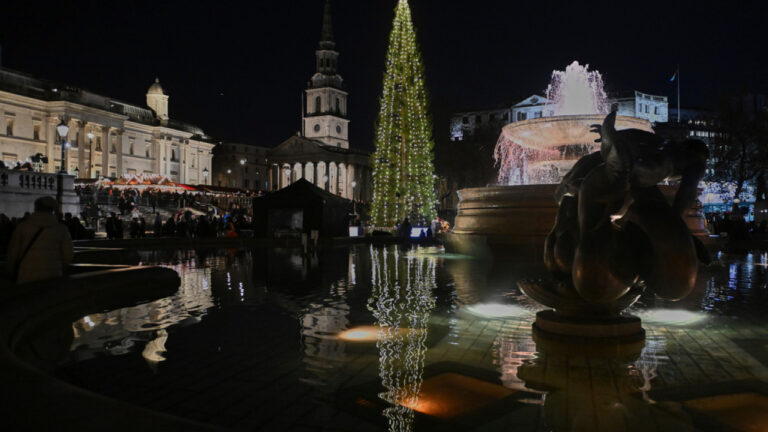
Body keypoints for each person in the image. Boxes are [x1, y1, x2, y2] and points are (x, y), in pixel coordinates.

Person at [6, 197, 74, 284]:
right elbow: (68, 255)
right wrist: (59, 267)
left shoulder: (22, 227)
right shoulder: (61, 229)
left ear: (36, 208)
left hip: (26, 273)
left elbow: (13, 253)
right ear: (52, 209)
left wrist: (11, 270)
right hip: (53, 275)